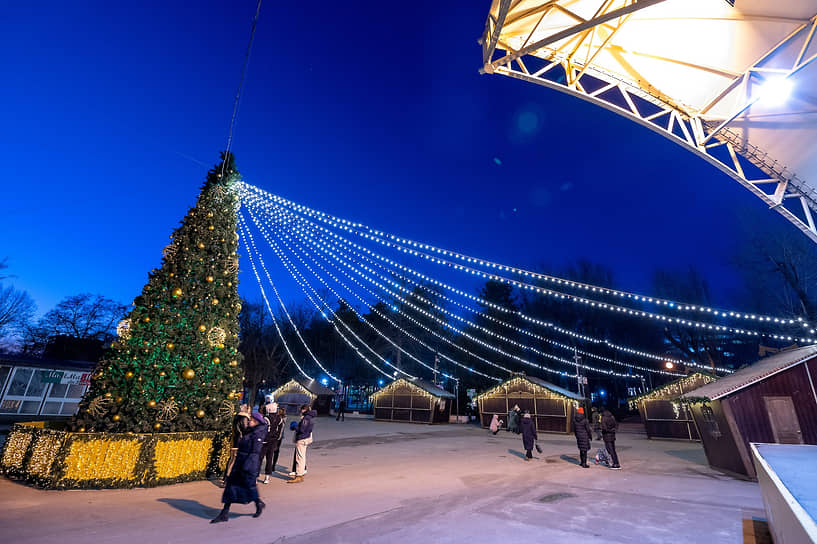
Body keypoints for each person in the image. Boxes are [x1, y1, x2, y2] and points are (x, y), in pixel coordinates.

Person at [211, 412, 269, 523]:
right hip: (240, 463)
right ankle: (224, 513)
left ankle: (258, 503)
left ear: (256, 422)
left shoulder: (257, 434)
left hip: (247, 465)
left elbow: (255, 453)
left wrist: (247, 466)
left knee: (249, 487)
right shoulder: (249, 431)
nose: (249, 421)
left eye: (251, 419)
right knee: (231, 487)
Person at [287, 404, 316, 484]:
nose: (301, 411)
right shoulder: (310, 417)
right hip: (306, 438)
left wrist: (295, 426)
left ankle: (299, 475)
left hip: (302, 438)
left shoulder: (306, 418)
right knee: (302, 457)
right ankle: (301, 473)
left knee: (299, 457)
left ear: (304, 410)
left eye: (302, 410)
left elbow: (302, 429)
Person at [222, 405, 251, 484]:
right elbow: (245, 430)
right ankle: (228, 479)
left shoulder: (236, 417)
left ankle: (226, 478)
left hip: (235, 442)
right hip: (240, 443)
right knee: (235, 461)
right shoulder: (245, 418)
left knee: (232, 460)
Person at [258, 403, 280, 484]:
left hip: (265, 441)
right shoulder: (279, 418)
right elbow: (280, 430)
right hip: (273, 441)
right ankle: (267, 477)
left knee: (259, 458)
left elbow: (262, 429)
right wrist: (277, 439)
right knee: (269, 459)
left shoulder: (266, 418)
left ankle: (256, 476)